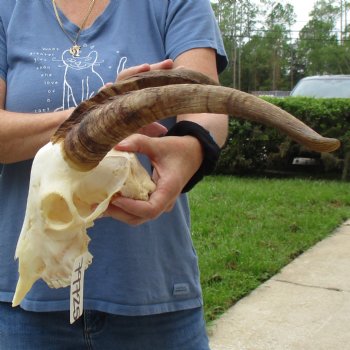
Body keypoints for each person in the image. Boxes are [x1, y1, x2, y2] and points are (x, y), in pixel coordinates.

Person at [0, 0, 228, 349]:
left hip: (153, 296)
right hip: (25, 304)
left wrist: (193, 149)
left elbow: (206, 101)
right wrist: (104, 112)